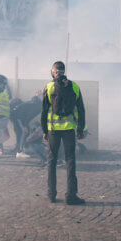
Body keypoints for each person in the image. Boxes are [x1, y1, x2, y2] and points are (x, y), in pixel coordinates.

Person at [40, 61, 86, 204]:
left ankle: (51, 194)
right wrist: (80, 129)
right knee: (70, 160)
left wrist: (44, 131)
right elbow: (81, 110)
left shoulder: (49, 87)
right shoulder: (74, 87)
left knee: (52, 161)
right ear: (64, 71)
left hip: (53, 130)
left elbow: (43, 111)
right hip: (69, 130)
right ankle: (71, 195)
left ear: (53, 72)